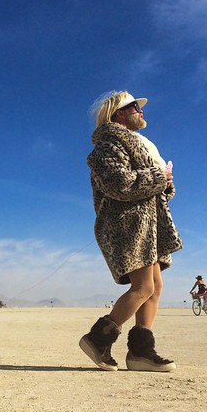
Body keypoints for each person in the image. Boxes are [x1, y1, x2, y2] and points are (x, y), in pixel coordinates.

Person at [79, 90, 183, 372]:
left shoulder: (143, 144)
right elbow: (119, 184)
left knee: (155, 286)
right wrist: (157, 178)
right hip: (126, 223)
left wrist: (164, 182)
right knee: (143, 286)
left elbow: (151, 190)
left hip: (149, 223)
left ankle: (140, 353)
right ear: (119, 114)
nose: (141, 111)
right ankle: (97, 339)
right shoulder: (106, 146)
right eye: (134, 107)